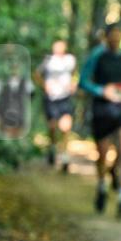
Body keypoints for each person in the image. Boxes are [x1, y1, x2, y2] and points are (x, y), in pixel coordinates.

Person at [79, 22, 121, 218]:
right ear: (106, 36)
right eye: (112, 34)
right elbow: (83, 81)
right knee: (103, 153)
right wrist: (101, 91)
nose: (115, 38)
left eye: (118, 34)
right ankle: (101, 186)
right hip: (102, 108)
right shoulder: (97, 56)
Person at [33, 39, 77, 172]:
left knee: (65, 127)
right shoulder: (48, 60)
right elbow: (36, 75)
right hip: (51, 98)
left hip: (65, 98)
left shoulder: (70, 60)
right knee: (52, 126)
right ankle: (52, 149)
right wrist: (44, 85)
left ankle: (64, 156)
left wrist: (73, 84)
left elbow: (75, 74)